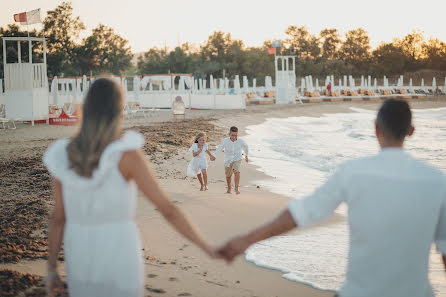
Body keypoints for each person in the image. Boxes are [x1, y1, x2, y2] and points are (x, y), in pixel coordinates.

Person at [218, 99, 446, 297]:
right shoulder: (438, 181)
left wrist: (245, 240)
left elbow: (299, 214)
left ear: (376, 129)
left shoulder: (352, 172)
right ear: (411, 131)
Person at [43, 78, 218, 297]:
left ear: (85, 109)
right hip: (119, 252)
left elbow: (58, 218)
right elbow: (167, 209)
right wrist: (207, 247)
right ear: (119, 111)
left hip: (80, 253)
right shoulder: (126, 155)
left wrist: (51, 271)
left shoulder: (63, 155)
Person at [213, 126, 249, 195]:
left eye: (236, 135)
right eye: (232, 135)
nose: (234, 137)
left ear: (237, 135)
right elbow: (219, 148)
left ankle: (236, 188)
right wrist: (215, 156)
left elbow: (245, 147)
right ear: (229, 134)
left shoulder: (240, 141)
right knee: (228, 175)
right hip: (228, 160)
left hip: (237, 158)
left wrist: (246, 156)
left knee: (236, 171)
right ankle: (229, 189)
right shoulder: (225, 141)